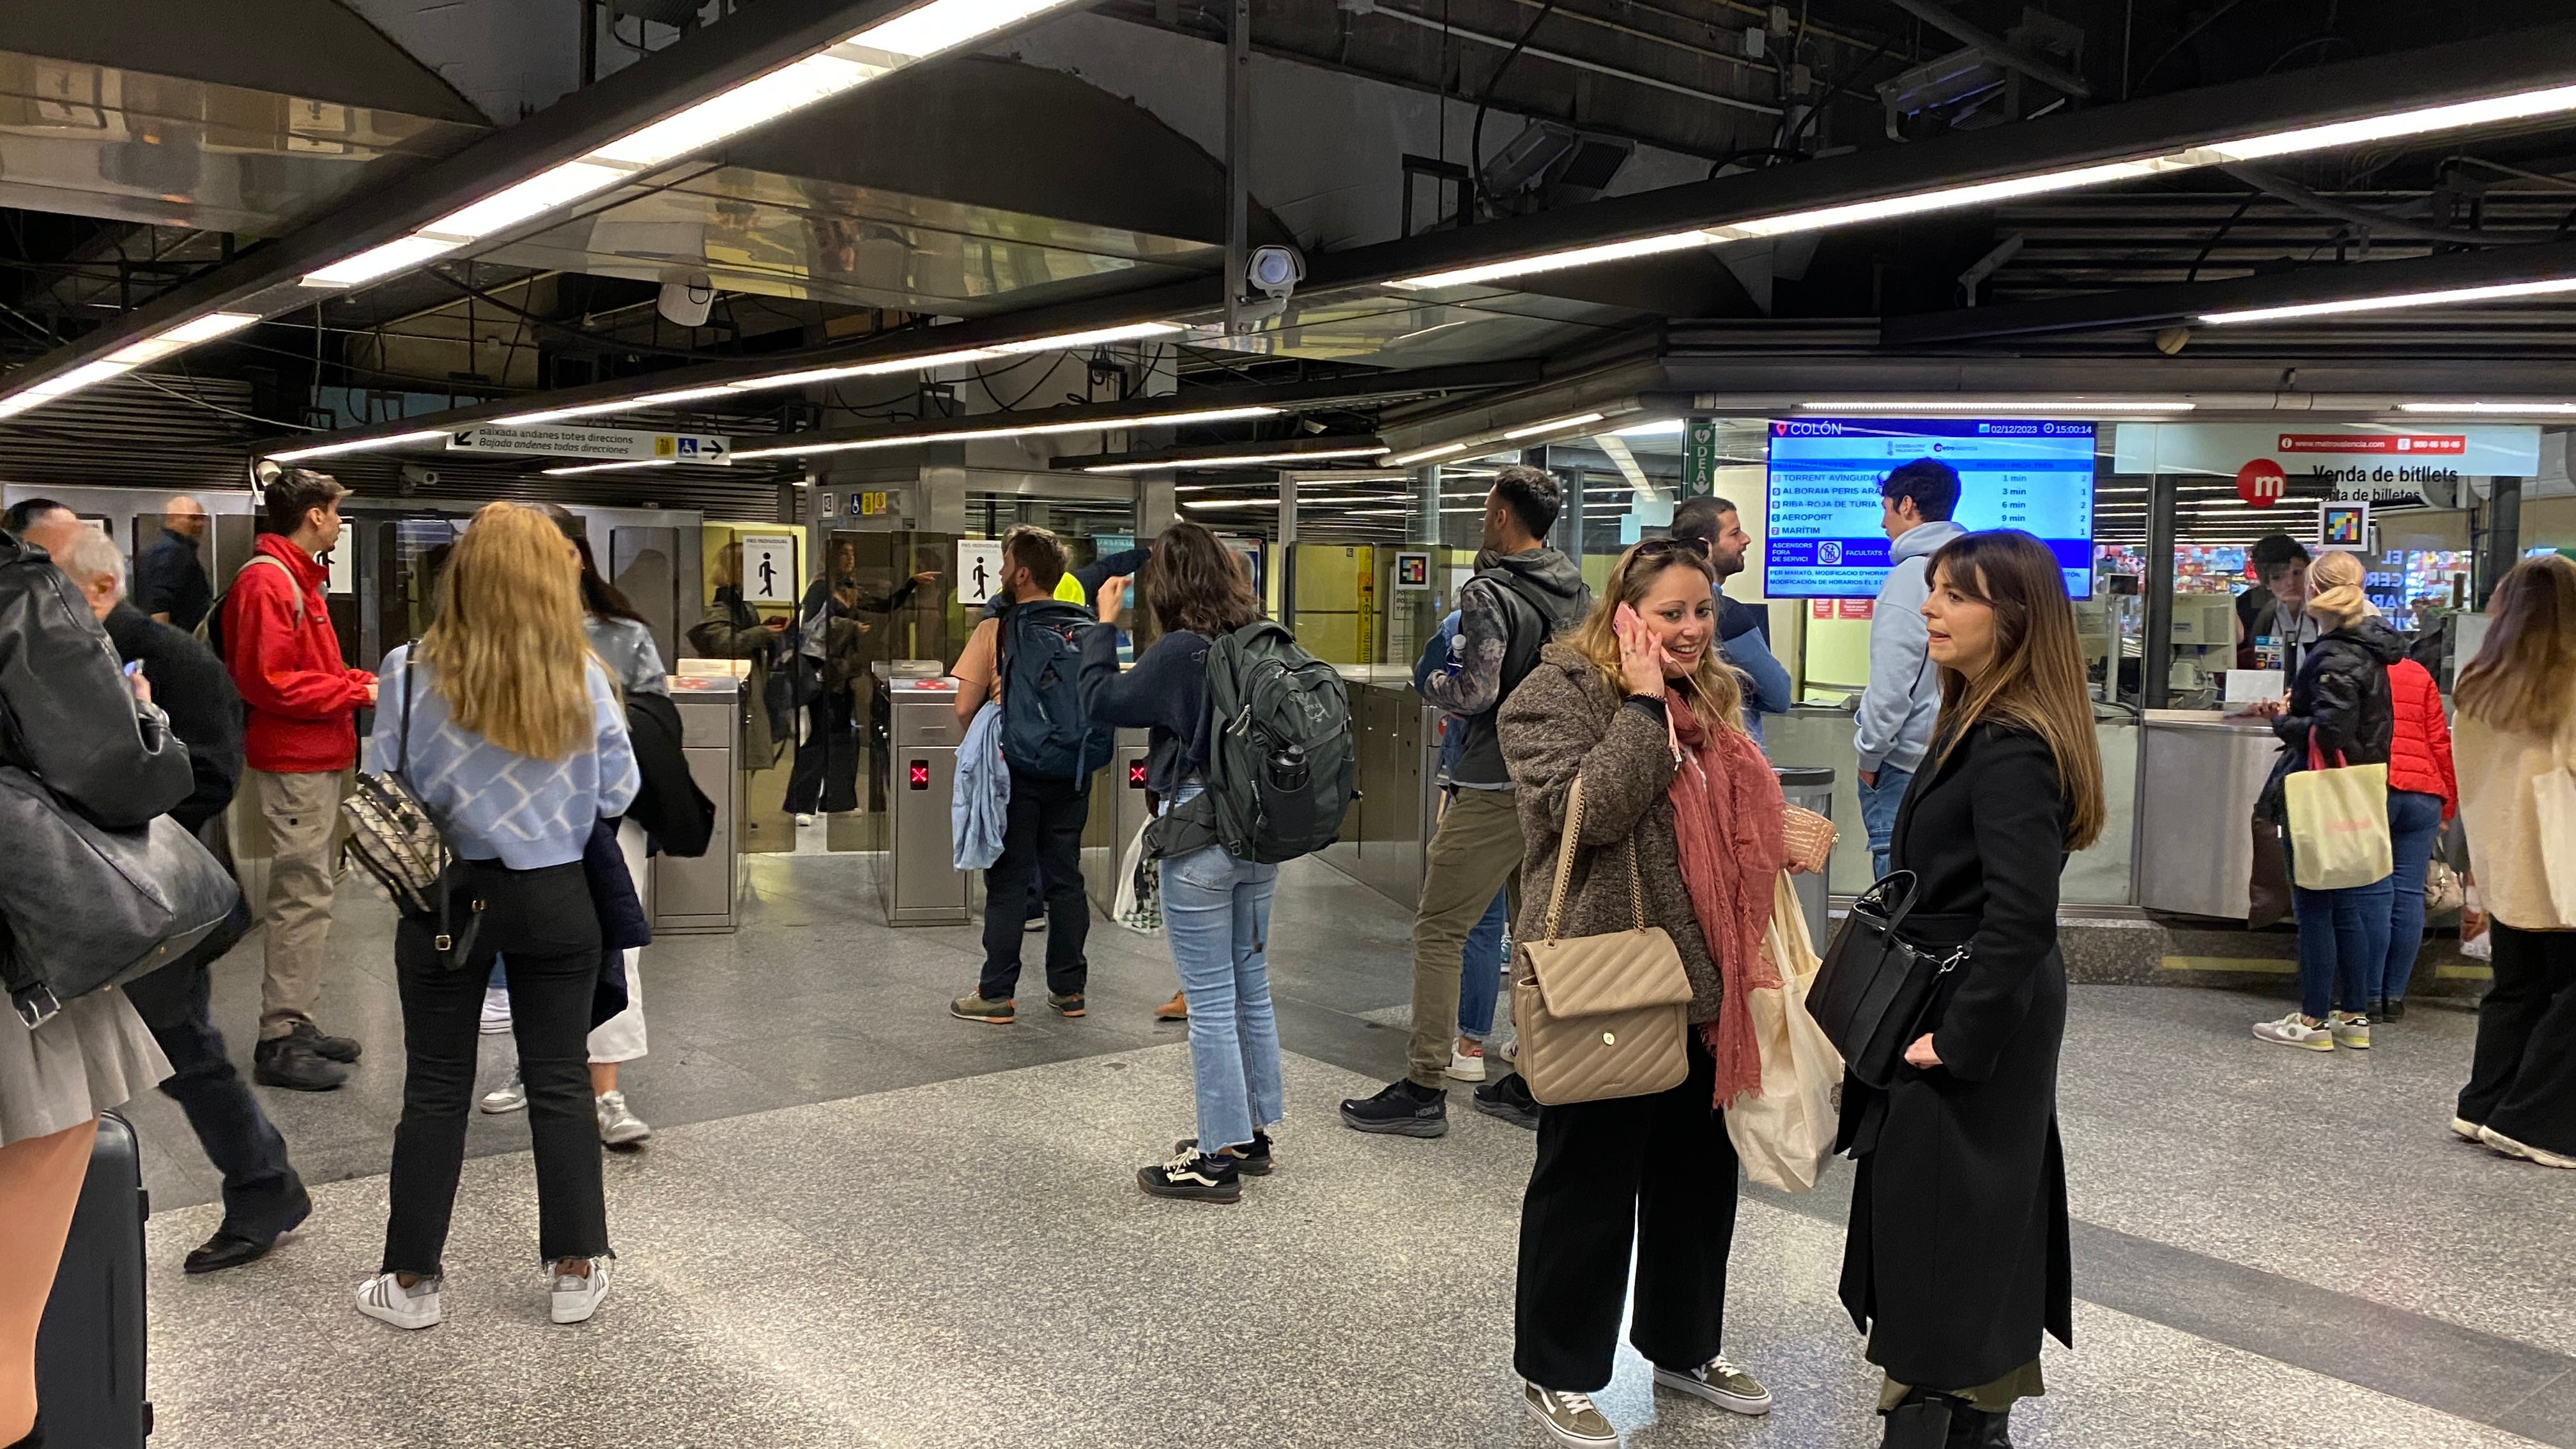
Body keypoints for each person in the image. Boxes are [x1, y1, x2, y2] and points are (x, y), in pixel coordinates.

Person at [1496, 539, 1781, 1446]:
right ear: (1624, 615)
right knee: (1587, 1179)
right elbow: (1581, 812)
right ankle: (1558, 1367)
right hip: (1608, 977)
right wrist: (1644, 706)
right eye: (1671, 614)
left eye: (1703, 612)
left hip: (1704, 980)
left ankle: (1684, 1343)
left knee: (1698, 1182)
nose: (1693, 630)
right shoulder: (1554, 695)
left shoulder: (1714, 697)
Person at [1840, 529, 2104, 1449]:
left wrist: (1961, 1039)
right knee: (1952, 1215)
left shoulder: (2010, 746)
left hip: (1974, 1014)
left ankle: (1948, 1412)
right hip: (1960, 999)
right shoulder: (1973, 719)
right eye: (1935, 591)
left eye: (1956, 596)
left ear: (2015, 618)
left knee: (1952, 1216)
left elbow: (2022, 913)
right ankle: (1961, 1411)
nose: (1931, 608)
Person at [356, 502, 637, 1332]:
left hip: (446, 898)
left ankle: (410, 1284)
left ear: (463, 575)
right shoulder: (580, 673)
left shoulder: (408, 669)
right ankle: (577, 1270)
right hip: (557, 897)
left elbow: (383, 776)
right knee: (559, 1079)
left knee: (436, 1087)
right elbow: (617, 791)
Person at [36, 521, 310, 1274]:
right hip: (75, 903)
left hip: (157, 903)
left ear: (102, 586)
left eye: (46, 580)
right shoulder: (44, 662)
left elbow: (216, 777)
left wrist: (120, 793)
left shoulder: (175, 661)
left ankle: (264, 1189)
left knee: (187, 1054)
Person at [0, 517, 185, 1447]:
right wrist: (144, 716)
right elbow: (122, 772)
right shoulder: (13, 589)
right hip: (14, 998)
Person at [1343, 465, 1589, 1138]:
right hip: (1554, 783)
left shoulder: (1489, 592)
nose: (1484, 518)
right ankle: (1538, 1080)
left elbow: (1474, 693)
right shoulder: (1578, 592)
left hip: (1490, 782)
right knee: (1537, 934)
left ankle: (1423, 1085)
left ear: (1504, 517)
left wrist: (1430, 679)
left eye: (1487, 508)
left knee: (1441, 928)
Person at [1077, 522, 1280, 1202]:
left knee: (1211, 998)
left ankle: (1215, 1158)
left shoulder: (1180, 651)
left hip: (1198, 833)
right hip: (1260, 834)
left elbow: (1103, 702)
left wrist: (1102, 624)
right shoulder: (1262, 641)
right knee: (1249, 983)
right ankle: (1250, 1132)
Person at [480, 509, 668, 1147]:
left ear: (576, 557)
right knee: (531, 948)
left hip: (605, 824)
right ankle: (535, 1069)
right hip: (519, 828)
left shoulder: (617, 637)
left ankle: (607, 1091)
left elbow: (650, 726)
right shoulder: (483, 642)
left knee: (615, 949)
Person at [220, 469, 376, 1091]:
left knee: (312, 893)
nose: (340, 522)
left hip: (318, 755)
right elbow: (268, 681)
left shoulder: (298, 579)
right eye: (337, 513)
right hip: (295, 762)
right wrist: (358, 690)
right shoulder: (268, 581)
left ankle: (298, 1020)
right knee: (300, 896)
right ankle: (281, 1037)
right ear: (314, 515)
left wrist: (354, 682)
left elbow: (300, 669)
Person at [2448, 554, 2576, 1169]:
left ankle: (2481, 1106)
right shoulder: (2570, 680)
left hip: (2503, 856)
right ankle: (2535, 1123)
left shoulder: (2478, 680)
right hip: (2563, 863)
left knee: (2516, 986)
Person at [2251, 551, 2404, 1052]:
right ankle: (2353, 1014)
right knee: (2349, 905)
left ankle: (2314, 1019)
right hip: (2358, 787)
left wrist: (2282, 721)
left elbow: (2331, 730)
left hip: (2319, 790)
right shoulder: (2372, 651)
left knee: (2315, 904)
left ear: (2317, 592)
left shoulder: (2336, 654)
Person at [947, 526, 1096, 1024]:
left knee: (1009, 880)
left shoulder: (998, 629)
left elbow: (964, 705)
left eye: (1006, 563)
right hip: (1072, 770)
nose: (1000, 572)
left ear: (1023, 574)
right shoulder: (1085, 626)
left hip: (1014, 771)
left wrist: (997, 732)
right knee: (1065, 879)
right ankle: (1069, 991)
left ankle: (996, 993)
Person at [1413, 608, 1514, 1088]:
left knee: (1452, 926)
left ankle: (1446, 1064)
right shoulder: (1573, 607)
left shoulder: (1467, 618)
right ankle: (1535, 1050)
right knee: (1538, 924)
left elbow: (1429, 677)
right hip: (1547, 784)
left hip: (1484, 783)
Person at [1855, 459, 1968, 880]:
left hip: (1905, 766)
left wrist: (1870, 754)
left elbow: (1891, 685)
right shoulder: (1975, 571)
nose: (1883, 523)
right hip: (1956, 756)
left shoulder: (1909, 577)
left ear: (1907, 506)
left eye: (1885, 509)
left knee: (1899, 890)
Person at [1670, 495, 1793, 743]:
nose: (1745, 539)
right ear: (1703, 546)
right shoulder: (1729, 616)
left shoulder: (1660, 611)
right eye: (1734, 533)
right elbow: (1779, 695)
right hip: (1732, 756)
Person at [2377, 643, 2457, 1020]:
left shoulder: (2348, 663)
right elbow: (2440, 742)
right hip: (2423, 794)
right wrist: (2448, 804)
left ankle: (2363, 994)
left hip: (2374, 789)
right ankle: (2393, 997)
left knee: (2367, 893)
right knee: (2407, 896)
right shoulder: (2418, 673)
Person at [686, 539, 782, 768]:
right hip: (734, 689)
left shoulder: (742, 605)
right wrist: (761, 633)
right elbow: (722, 642)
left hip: (747, 689)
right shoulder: (724, 607)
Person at [2240, 535, 2317, 680]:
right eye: (2278, 576)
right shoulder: (2246, 610)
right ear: (2266, 582)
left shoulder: (2323, 611)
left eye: (2297, 573)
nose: (2290, 583)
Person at [137, 494, 213, 631]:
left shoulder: (178, 552)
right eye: (193, 518)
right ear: (173, 519)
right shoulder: (171, 553)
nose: (200, 524)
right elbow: (158, 611)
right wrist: (167, 649)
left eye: (202, 519)